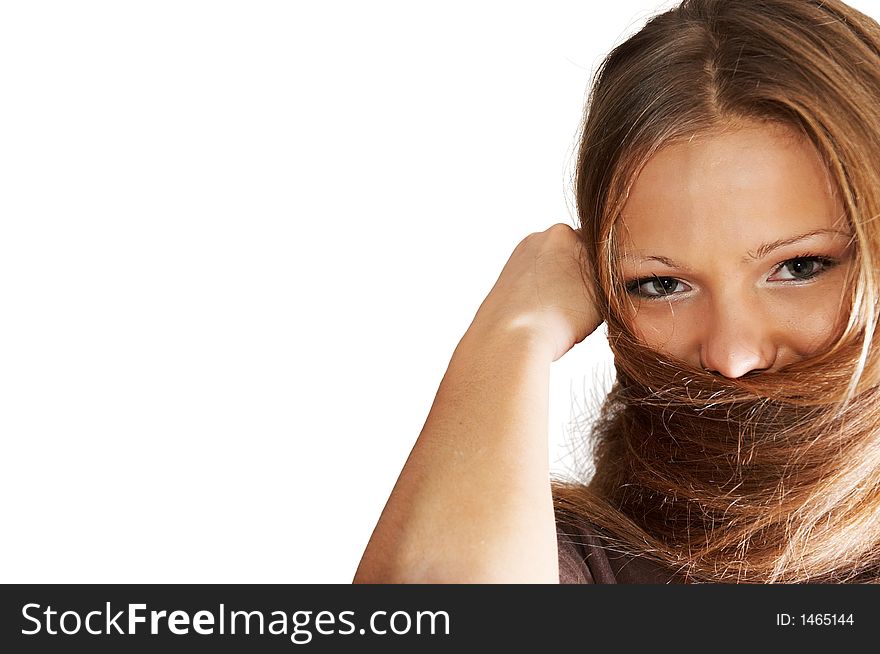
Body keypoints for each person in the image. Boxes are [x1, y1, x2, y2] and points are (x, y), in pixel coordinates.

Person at [353, 0, 880, 584]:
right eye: (661, 285)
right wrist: (511, 337)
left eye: (801, 266)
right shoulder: (564, 561)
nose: (731, 356)